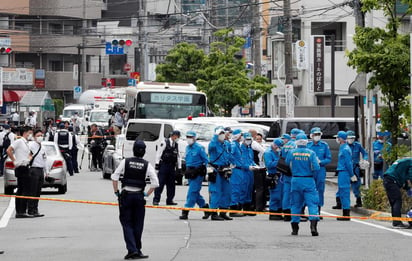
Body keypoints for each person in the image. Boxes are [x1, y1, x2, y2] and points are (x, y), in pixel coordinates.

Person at [112, 140, 159, 259]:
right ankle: (137, 249)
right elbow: (155, 183)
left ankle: (132, 250)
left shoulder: (125, 162)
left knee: (127, 223)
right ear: (144, 152)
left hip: (126, 196)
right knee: (138, 224)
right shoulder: (147, 164)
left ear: (133, 149)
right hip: (139, 197)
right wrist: (146, 195)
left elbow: (115, 177)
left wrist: (116, 192)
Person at [286, 133, 321, 236]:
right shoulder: (311, 153)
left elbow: (287, 163)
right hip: (308, 180)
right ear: (307, 141)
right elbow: (316, 168)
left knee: (295, 204)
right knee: (312, 203)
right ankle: (313, 227)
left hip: (296, 180)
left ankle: (295, 228)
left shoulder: (292, 152)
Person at [179, 131, 209, 220]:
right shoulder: (187, 148)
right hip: (189, 172)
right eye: (187, 136)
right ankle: (205, 207)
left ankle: (186, 211)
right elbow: (187, 160)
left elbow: (206, 160)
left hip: (198, 172)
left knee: (192, 192)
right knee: (195, 193)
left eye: (191, 137)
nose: (189, 138)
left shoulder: (200, 148)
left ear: (195, 138)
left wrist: (207, 171)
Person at [6, 126, 34, 218]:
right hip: (21, 167)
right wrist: (14, 161)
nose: (31, 135)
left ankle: (21, 210)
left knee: (24, 189)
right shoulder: (19, 141)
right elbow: (9, 150)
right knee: (23, 190)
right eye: (30, 132)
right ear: (25, 133)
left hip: (26, 166)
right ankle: (21, 211)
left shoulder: (26, 143)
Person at [206, 127, 232, 221]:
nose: (221, 135)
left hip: (225, 170)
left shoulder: (226, 144)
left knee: (227, 191)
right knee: (216, 192)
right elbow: (211, 147)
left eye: (222, 133)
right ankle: (214, 213)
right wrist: (215, 136)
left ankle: (223, 211)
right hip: (216, 170)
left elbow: (229, 155)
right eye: (220, 133)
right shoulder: (213, 144)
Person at [307, 127, 331, 217]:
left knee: (320, 190)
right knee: (310, 190)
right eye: (315, 134)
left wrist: (321, 162)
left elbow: (328, 158)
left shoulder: (324, 145)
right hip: (310, 170)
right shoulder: (308, 145)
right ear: (311, 135)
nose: (317, 136)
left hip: (320, 170)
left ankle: (318, 209)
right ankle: (311, 210)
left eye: (318, 135)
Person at [153, 130, 182, 206]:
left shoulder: (176, 145)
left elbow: (178, 157)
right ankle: (156, 199)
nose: (178, 138)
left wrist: (179, 167)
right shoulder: (164, 142)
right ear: (174, 136)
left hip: (172, 166)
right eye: (177, 136)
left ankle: (170, 200)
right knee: (160, 183)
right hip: (164, 165)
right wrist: (157, 164)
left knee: (171, 184)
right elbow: (159, 153)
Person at [383, 157, 412, 228]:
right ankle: (397, 222)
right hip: (392, 180)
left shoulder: (406, 160)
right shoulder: (410, 162)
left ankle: (396, 221)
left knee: (394, 201)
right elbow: (411, 176)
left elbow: (404, 176)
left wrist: (407, 188)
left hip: (388, 179)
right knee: (397, 200)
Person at [335, 131, 357, 221]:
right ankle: (345, 212)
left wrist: (352, 174)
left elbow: (348, 163)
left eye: (338, 137)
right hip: (342, 172)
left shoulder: (345, 149)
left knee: (344, 192)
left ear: (340, 138)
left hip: (344, 172)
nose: (337, 139)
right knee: (342, 191)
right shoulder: (343, 147)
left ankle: (346, 214)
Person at [280, 129, 299, 222]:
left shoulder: (285, 146)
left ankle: (286, 212)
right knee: (294, 193)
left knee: (286, 192)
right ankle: (293, 213)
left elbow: (282, 158)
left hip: (285, 171)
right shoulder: (296, 145)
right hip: (294, 172)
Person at [27, 129, 47, 217]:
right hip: (33, 169)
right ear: (34, 137)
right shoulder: (30, 145)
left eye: (41, 136)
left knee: (38, 191)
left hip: (40, 170)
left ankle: (35, 209)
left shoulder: (43, 147)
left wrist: (47, 171)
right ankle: (30, 209)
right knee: (32, 190)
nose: (40, 137)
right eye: (38, 136)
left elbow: (45, 159)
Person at [346, 130, 369, 207]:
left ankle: (358, 200)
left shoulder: (357, 145)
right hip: (346, 168)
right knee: (344, 185)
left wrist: (364, 159)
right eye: (349, 138)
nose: (351, 139)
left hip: (355, 167)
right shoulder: (344, 146)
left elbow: (364, 153)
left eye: (352, 138)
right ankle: (341, 202)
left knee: (356, 184)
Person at [263, 138, 284, 220]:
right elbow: (269, 164)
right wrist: (279, 161)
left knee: (280, 194)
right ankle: (273, 211)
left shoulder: (278, 152)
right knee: (275, 194)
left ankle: (279, 210)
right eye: (278, 146)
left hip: (279, 175)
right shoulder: (268, 153)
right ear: (274, 145)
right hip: (273, 175)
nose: (278, 148)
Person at [250, 130, 266, 212]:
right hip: (257, 168)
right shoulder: (254, 144)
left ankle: (261, 206)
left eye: (260, 139)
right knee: (259, 188)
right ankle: (258, 206)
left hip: (262, 168)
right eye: (257, 139)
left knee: (262, 188)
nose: (259, 141)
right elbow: (264, 151)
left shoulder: (262, 144)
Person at [240, 132, 256, 215]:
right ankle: (241, 207)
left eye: (250, 139)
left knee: (250, 189)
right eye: (247, 139)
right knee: (243, 189)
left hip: (250, 172)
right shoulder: (240, 149)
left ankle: (248, 207)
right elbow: (240, 161)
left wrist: (255, 165)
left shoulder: (250, 149)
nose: (248, 141)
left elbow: (251, 160)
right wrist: (247, 167)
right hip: (243, 172)